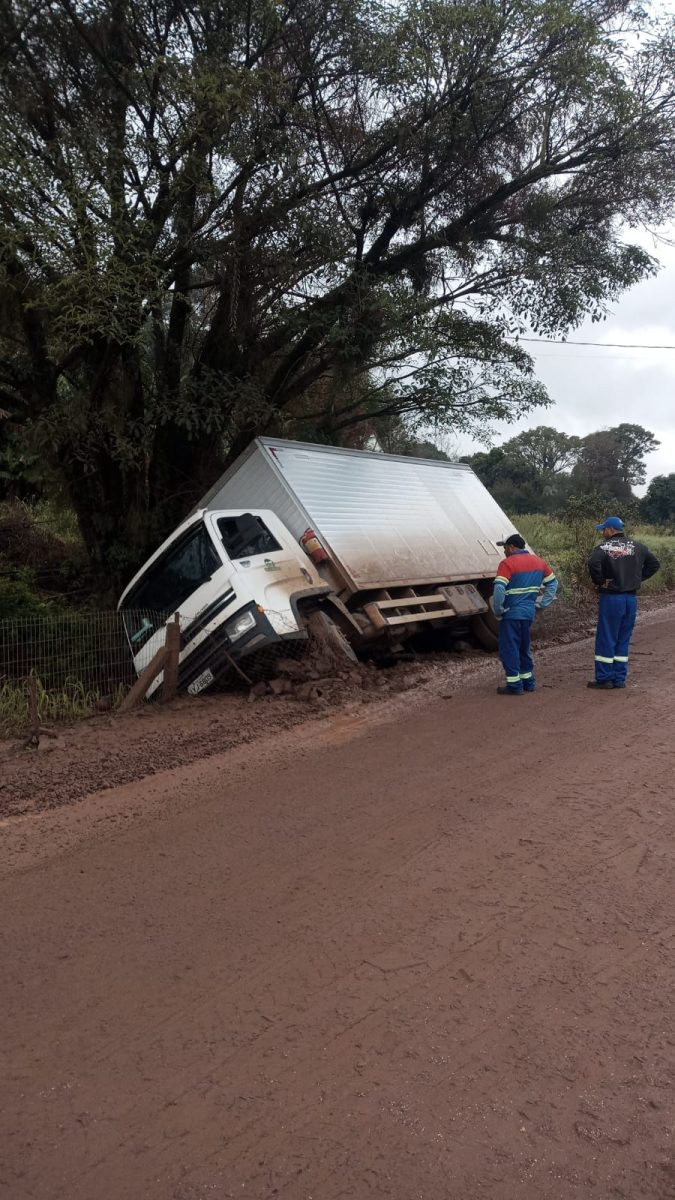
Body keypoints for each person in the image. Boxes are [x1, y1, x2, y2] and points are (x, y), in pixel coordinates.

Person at [587, 516, 660, 690]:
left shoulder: (604, 547)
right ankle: (619, 679)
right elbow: (654, 564)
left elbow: (593, 562)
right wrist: (637, 579)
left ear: (611, 530)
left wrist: (600, 581)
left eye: (604, 529)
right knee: (623, 638)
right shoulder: (638, 546)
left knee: (607, 637)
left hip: (612, 598)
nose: (603, 532)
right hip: (630, 599)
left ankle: (604, 678)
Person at [492, 534, 558, 695]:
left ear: (512, 547)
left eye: (505, 547)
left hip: (512, 613)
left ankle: (514, 685)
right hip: (529, 613)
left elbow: (499, 588)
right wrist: (543, 604)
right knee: (523, 647)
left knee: (510, 648)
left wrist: (498, 609)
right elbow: (553, 583)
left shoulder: (507, 563)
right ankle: (528, 682)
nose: (505, 551)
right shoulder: (539, 562)